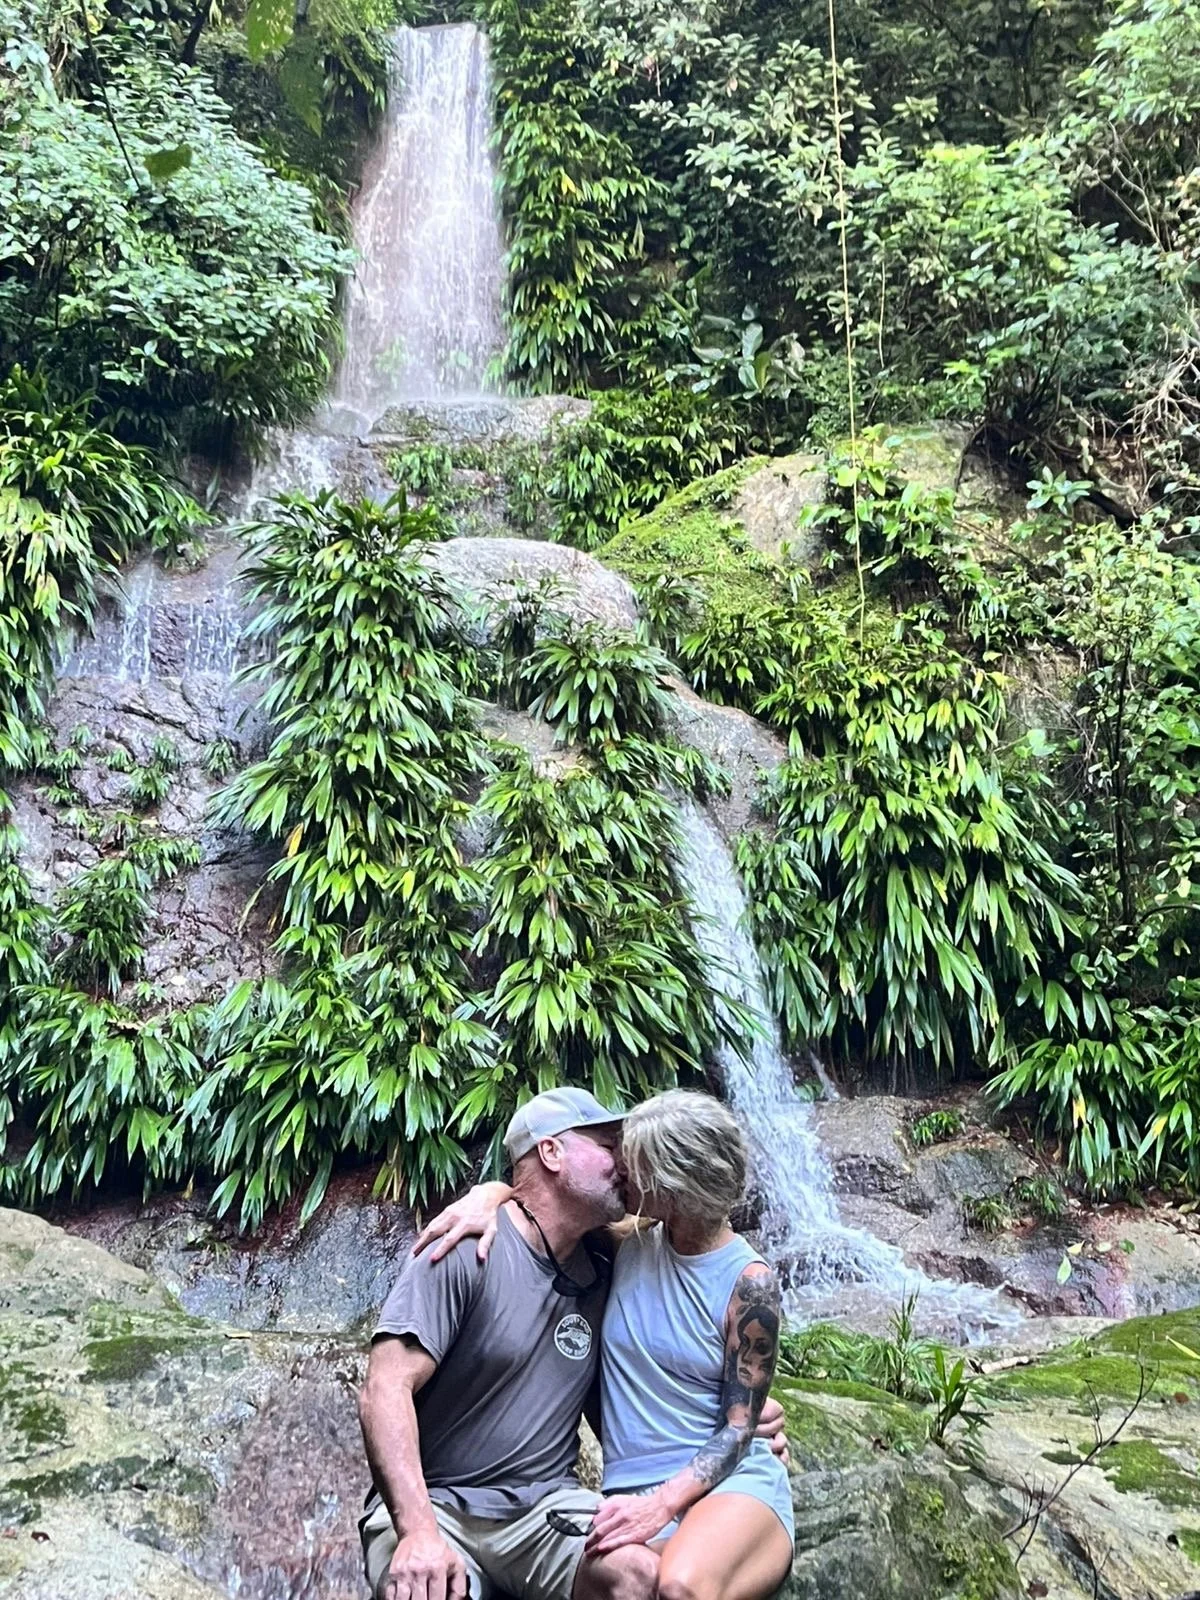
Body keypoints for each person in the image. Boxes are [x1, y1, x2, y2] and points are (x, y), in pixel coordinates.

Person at [357, 1086, 787, 1600]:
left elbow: (699, 1248)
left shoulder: (608, 1256)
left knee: (639, 1577)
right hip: (440, 1506)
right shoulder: (466, 1246)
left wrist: (744, 1422)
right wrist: (419, 1534)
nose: (625, 1164)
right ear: (552, 1152)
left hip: (544, 1509)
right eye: (609, 1146)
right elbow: (383, 1388)